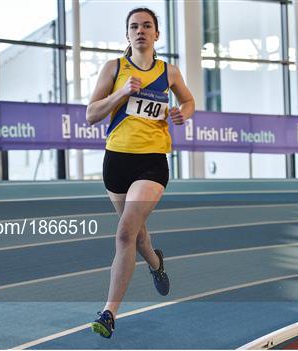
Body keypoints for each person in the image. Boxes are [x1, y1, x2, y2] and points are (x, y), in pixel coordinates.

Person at [85, 7, 195, 339]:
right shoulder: (114, 68)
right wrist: (121, 93)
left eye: (147, 26)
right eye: (135, 26)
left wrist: (182, 114)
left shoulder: (169, 71)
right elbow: (91, 114)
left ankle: (108, 313)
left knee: (124, 234)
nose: (141, 31)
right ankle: (156, 263)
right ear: (128, 34)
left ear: (157, 34)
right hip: (116, 162)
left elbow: (189, 102)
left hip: (151, 163)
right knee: (138, 235)